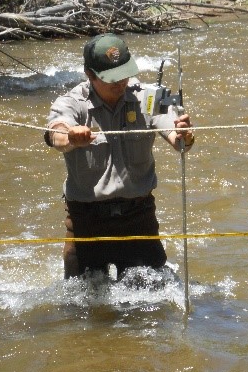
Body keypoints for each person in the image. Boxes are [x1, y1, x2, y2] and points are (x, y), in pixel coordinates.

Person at [44, 33, 194, 278]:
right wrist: (71, 137)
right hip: (86, 221)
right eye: (111, 78)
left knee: (151, 306)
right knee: (84, 310)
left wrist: (184, 136)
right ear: (90, 74)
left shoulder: (149, 96)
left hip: (138, 218)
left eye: (124, 73)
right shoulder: (71, 102)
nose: (120, 82)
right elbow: (55, 134)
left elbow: (178, 140)